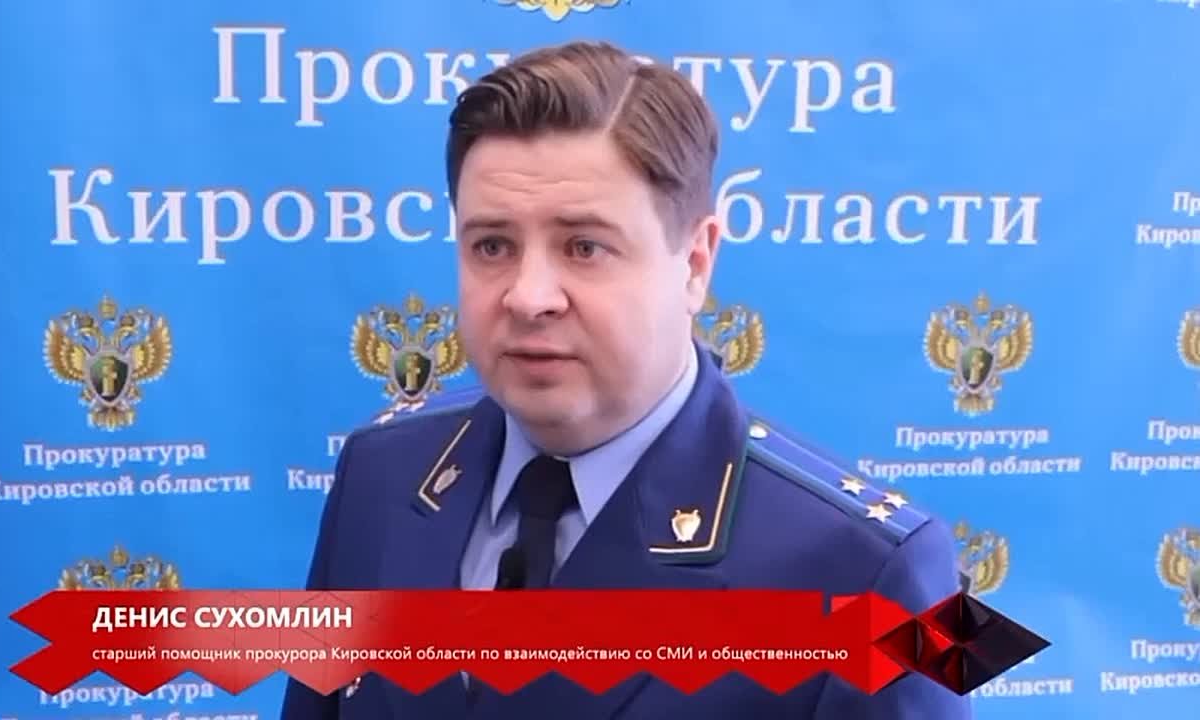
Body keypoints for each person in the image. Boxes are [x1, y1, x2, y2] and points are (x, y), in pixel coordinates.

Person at [281, 40, 972, 720]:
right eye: (492, 245)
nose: (528, 296)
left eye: (584, 247)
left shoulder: (879, 573)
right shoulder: (380, 474)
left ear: (695, 263)